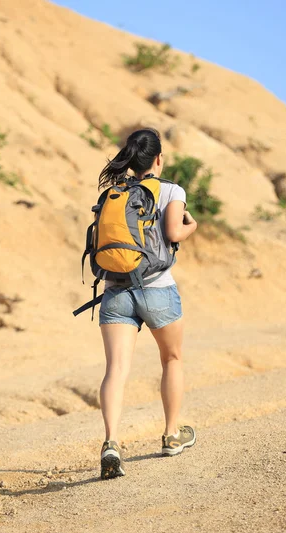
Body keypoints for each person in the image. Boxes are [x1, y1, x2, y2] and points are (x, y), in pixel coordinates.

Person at [98, 128, 198, 480]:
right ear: (158, 159)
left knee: (116, 370)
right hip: (157, 289)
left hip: (115, 291)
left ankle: (111, 441)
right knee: (171, 359)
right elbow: (173, 233)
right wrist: (192, 226)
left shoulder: (115, 192)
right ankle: (172, 435)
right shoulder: (172, 190)